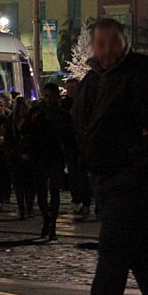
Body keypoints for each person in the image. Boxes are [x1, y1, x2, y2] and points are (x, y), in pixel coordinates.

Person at [62, 18, 148, 295]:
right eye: (101, 43)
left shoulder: (144, 73)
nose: (108, 49)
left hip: (136, 179)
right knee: (139, 254)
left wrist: (134, 157)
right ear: (93, 47)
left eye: (113, 42)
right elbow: (81, 126)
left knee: (112, 255)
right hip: (107, 179)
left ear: (123, 42)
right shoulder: (92, 80)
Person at [24, 83, 76, 241]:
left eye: (51, 96)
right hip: (39, 155)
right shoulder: (36, 112)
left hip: (55, 156)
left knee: (54, 191)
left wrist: (69, 154)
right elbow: (27, 132)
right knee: (41, 192)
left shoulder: (62, 114)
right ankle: (46, 220)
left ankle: (52, 223)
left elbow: (69, 136)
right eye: (46, 96)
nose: (48, 99)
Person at [62, 78, 91, 217]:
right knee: (73, 173)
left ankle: (85, 201)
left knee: (83, 174)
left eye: (73, 88)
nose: (70, 91)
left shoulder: (85, 103)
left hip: (83, 143)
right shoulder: (64, 105)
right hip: (70, 144)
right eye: (69, 88)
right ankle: (77, 200)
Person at [4, 96, 35, 220]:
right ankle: (21, 208)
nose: (23, 111)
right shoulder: (10, 121)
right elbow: (9, 141)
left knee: (30, 184)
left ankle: (30, 208)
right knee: (18, 184)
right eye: (21, 108)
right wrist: (17, 154)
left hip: (29, 157)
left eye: (25, 108)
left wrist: (29, 153)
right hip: (16, 157)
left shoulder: (31, 121)